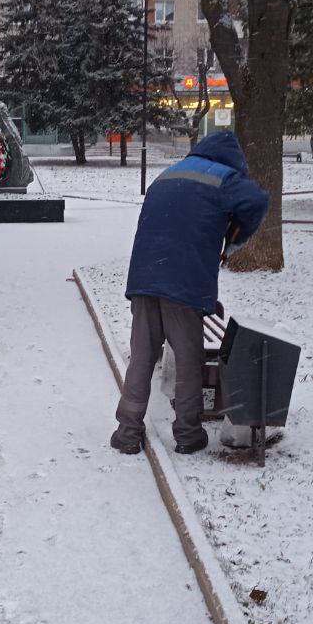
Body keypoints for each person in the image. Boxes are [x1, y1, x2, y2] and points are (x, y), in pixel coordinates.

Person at [110, 130, 269, 455]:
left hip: (144, 277)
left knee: (142, 356)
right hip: (182, 283)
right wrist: (235, 240)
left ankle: (127, 432)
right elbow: (257, 200)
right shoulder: (224, 178)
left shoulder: (168, 174)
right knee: (188, 359)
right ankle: (188, 433)